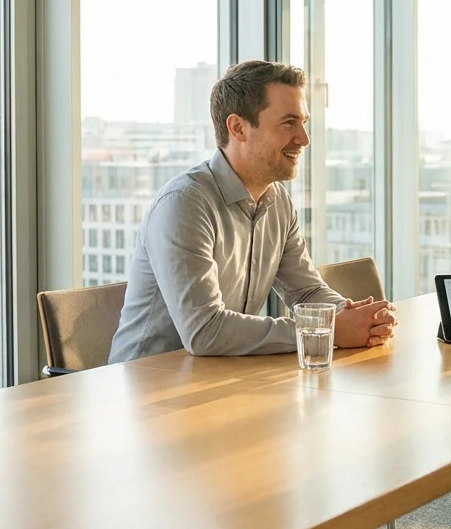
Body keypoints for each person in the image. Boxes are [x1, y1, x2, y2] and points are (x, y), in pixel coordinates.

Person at [109, 61, 396, 362]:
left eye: (303, 123)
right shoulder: (185, 204)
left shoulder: (278, 202)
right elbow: (205, 331)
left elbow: (308, 293)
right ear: (238, 128)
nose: (303, 139)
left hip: (218, 379)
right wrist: (328, 327)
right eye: (288, 123)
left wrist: (362, 320)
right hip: (147, 390)